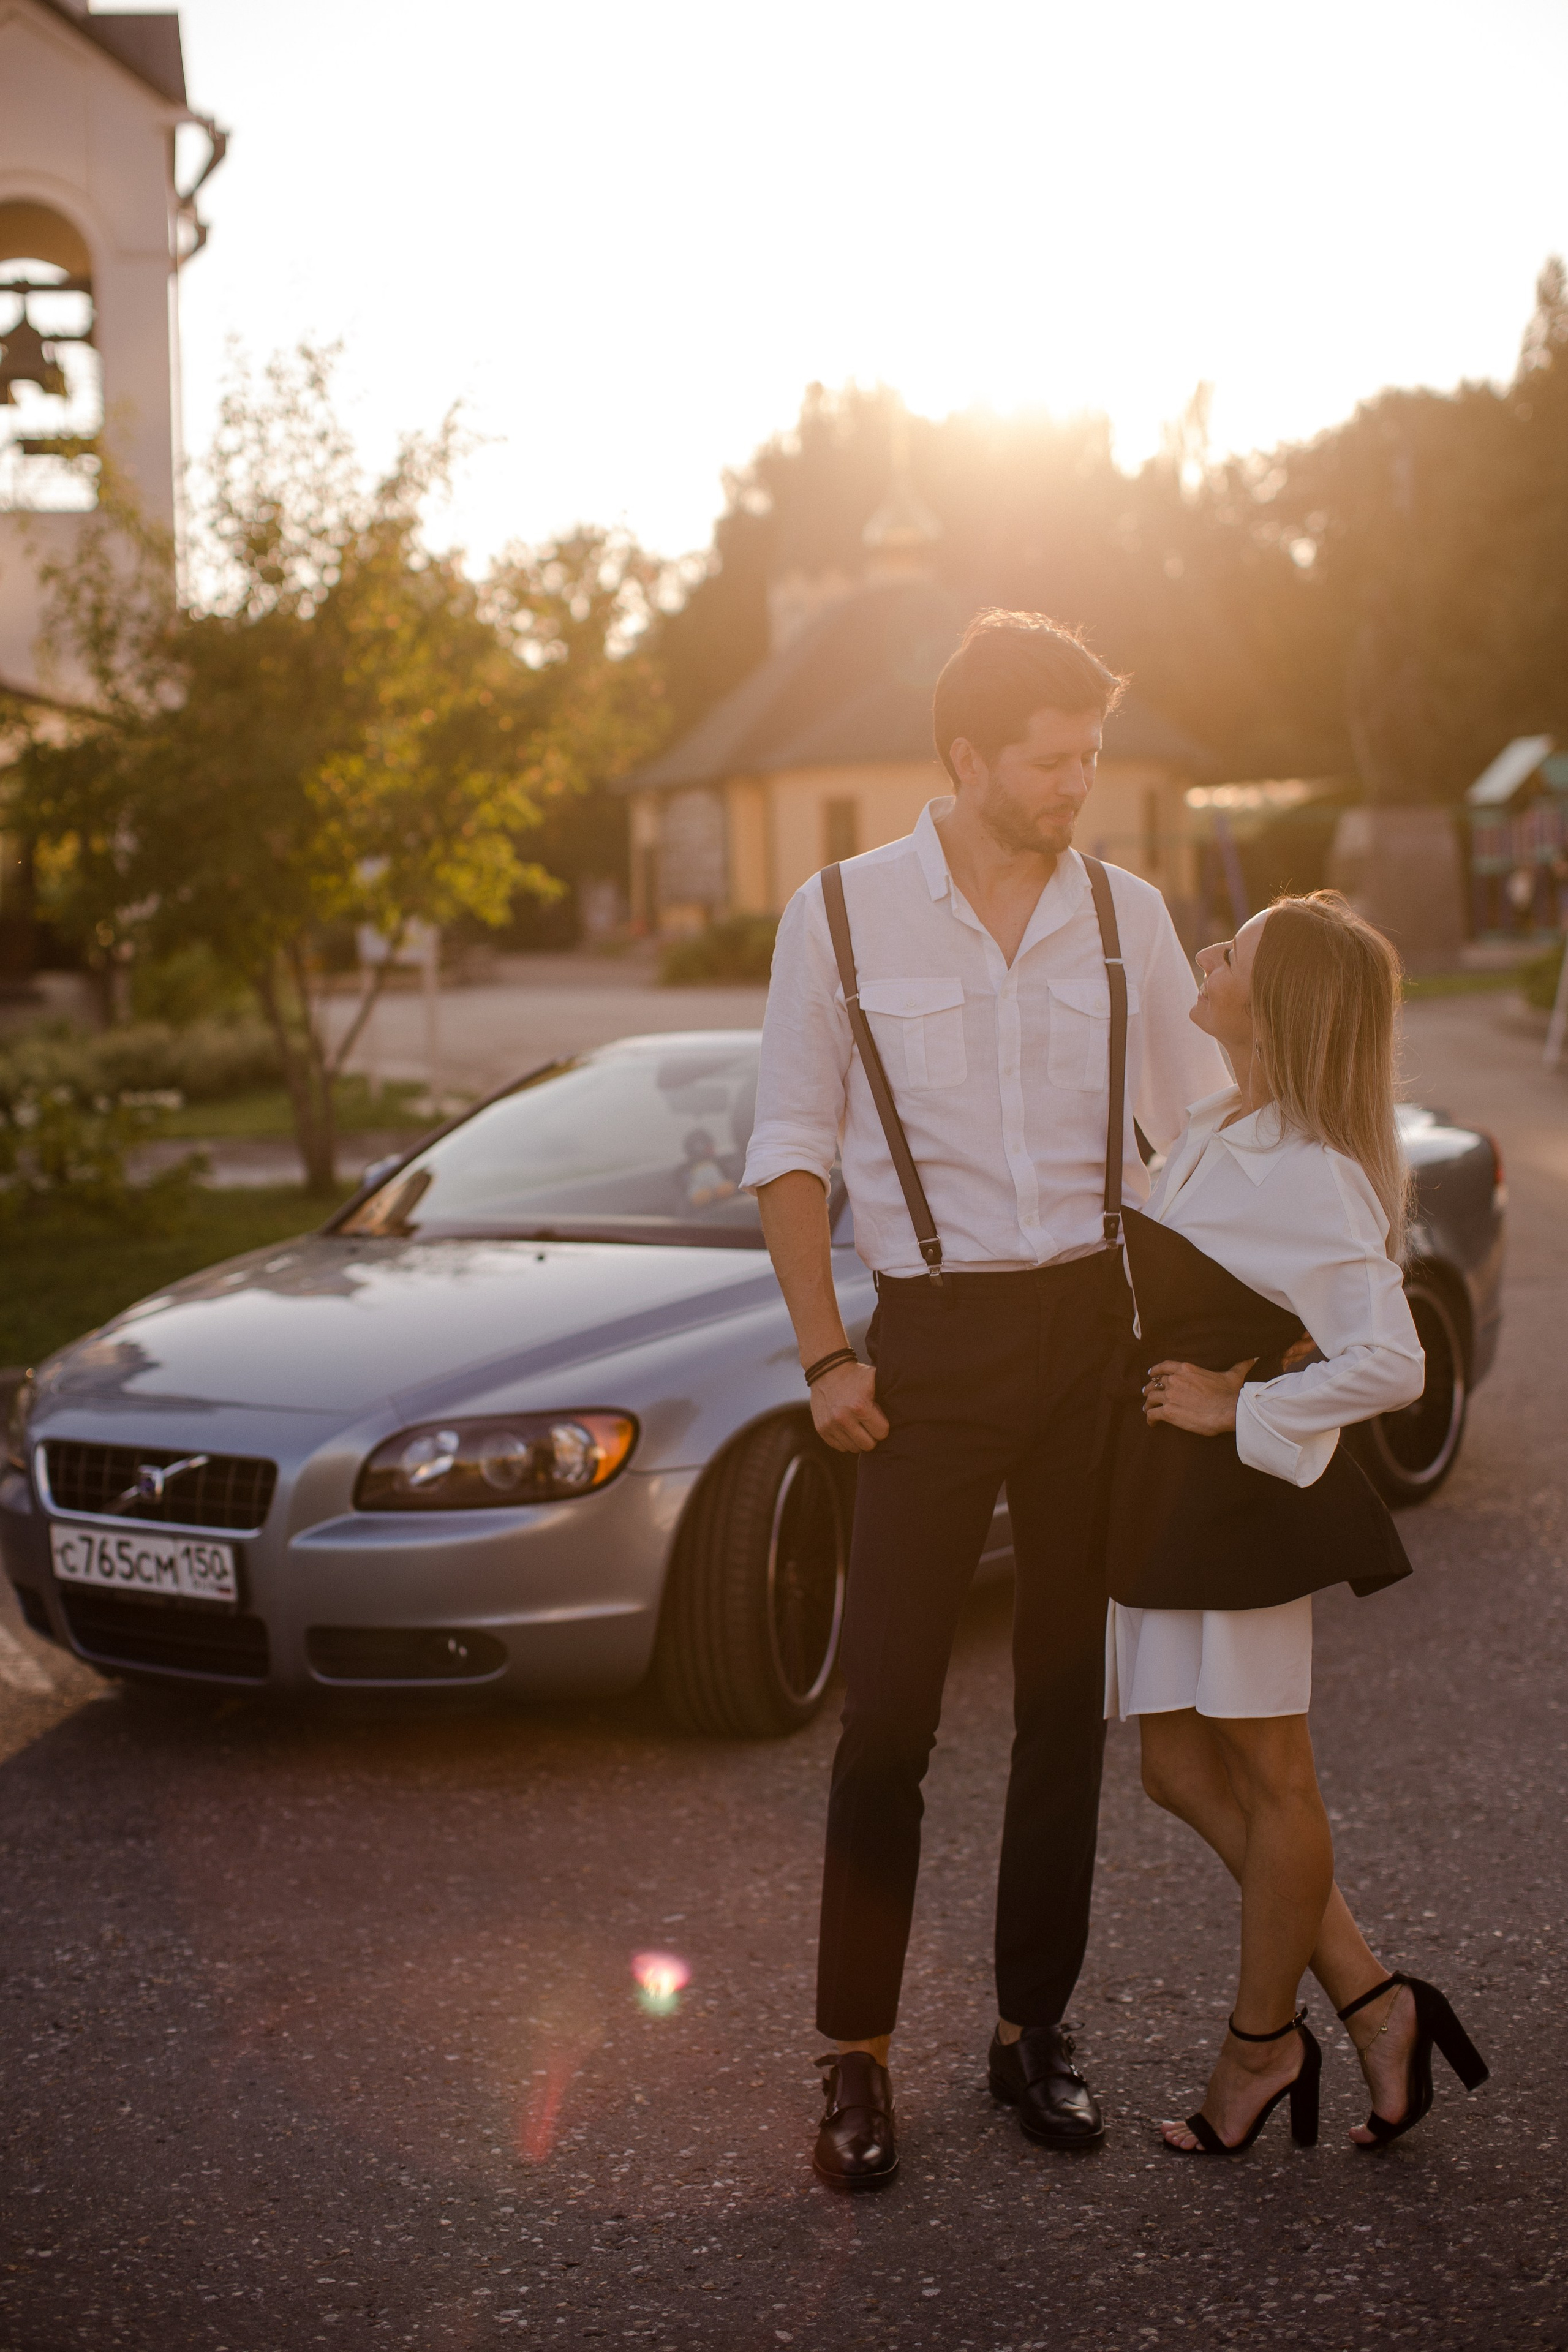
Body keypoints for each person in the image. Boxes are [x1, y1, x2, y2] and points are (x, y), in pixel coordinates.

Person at [742, 609, 1228, 2188]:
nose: (1078, 780)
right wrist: (826, 1355)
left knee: (1055, 1713)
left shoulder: (1126, 915)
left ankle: (1033, 2035)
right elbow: (790, 1149)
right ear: (964, 759)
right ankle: (854, 2059)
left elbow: (1204, 1139)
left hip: (1094, 1336)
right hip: (928, 1350)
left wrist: (1251, 1340)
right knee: (884, 1713)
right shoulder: (837, 914)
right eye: (1051, 759)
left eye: (1089, 752)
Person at [1104, 889, 1490, 2155]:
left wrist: (1241, 1407)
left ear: (1272, 1007)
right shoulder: (1216, 1122)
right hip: (1165, 1502)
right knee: (1172, 1768)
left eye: (1233, 952)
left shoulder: (1315, 1173)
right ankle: (1376, 2003)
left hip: (1238, 1504)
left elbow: (1391, 1363)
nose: (1205, 956)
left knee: (1273, 1777)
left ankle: (1261, 2046)